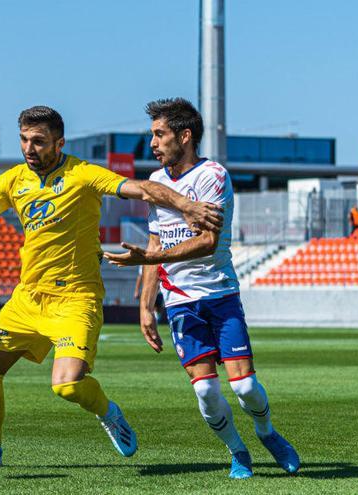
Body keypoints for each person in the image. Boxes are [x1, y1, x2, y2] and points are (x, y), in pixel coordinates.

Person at [0, 105, 223, 471]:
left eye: (38, 141)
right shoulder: (12, 181)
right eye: (24, 140)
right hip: (27, 300)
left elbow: (142, 188)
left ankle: (108, 411)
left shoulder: (83, 174)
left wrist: (185, 205)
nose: (29, 148)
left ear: (59, 143)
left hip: (76, 299)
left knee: (67, 386)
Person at [104, 98, 299, 479]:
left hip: (220, 295)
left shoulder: (212, 175)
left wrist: (148, 259)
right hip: (180, 303)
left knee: (244, 387)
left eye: (160, 135)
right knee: (206, 392)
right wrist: (146, 307)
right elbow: (156, 244)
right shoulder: (157, 184)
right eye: (152, 136)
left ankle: (267, 433)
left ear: (185, 135)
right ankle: (238, 451)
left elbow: (208, 241)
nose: (153, 144)